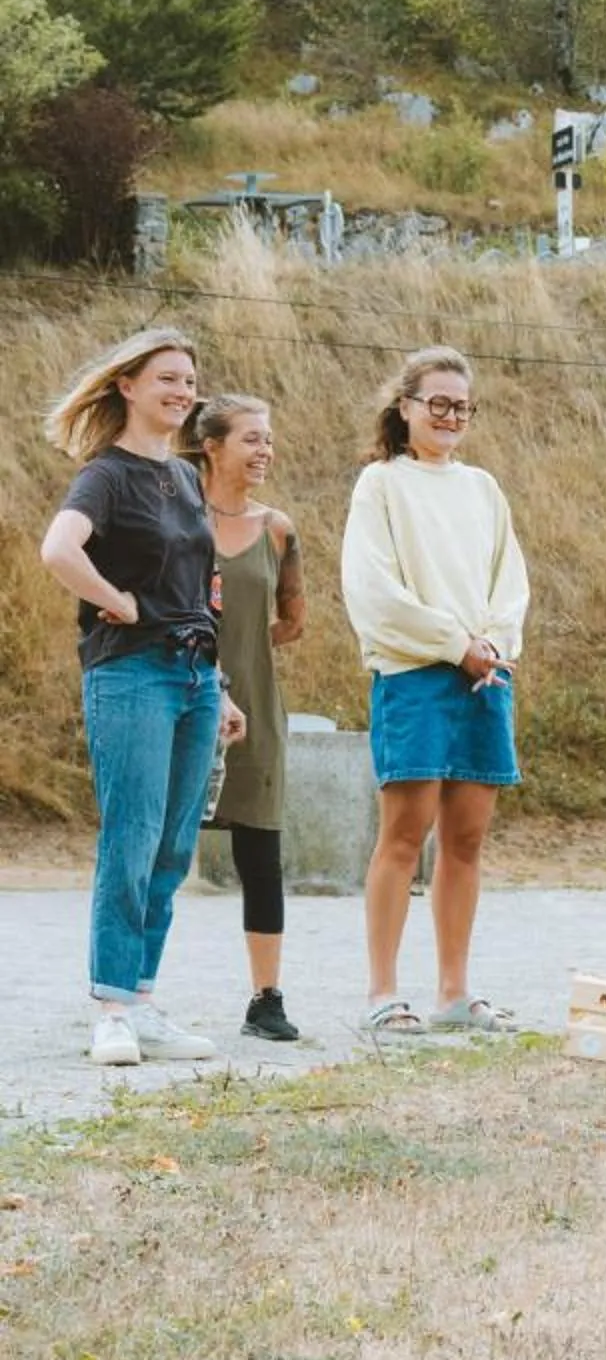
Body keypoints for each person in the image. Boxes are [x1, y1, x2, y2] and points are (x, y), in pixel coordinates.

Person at [38, 328, 247, 1069]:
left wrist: (218, 686)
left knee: (173, 847)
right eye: (167, 378)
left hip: (192, 679)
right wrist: (112, 601)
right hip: (130, 674)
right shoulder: (108, 475)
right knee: (131, 838)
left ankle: (144, 999)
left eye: (190, 380)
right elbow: (59, 549)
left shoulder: (188, 479)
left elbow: (197, 591)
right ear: (128, 385)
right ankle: (110, 1011)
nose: (183, 391)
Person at [340, 346, 529, 1037]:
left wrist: (494, 646)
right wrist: (456, 644)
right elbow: (374, 591)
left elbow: (511, 582)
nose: (450, 416)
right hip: (414, 673)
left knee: (467, 839)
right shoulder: (381, 485)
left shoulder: (482, 488)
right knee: (403, 835)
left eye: (461, 406)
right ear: (406, 407)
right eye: (437, 403)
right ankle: (382, 993)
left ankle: (455, 991)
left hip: (486, 677)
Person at [196, 394, 306, 1044]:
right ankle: (133, 995)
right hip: (181, 694)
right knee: (159, 848)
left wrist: (243, 647)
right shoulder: (178, 519)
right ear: (212, 446)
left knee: (261, 855)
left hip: (257, 707)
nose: (264, 451)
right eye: (251, 440)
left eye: (268, 440)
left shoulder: (278, 529)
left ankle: (266, 999)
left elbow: (293, 622)